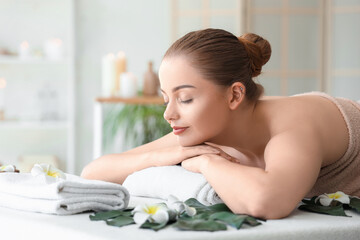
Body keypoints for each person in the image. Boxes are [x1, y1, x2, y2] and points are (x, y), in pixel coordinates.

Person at [81, 28, 360, 219]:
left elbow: (266, 202)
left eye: (186, 98)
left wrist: (206, 163)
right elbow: (93, 173)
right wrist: (164, 155)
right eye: (167, 99)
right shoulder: (207, 126)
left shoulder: (294, 124)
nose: (169, 114)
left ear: (235, 94)